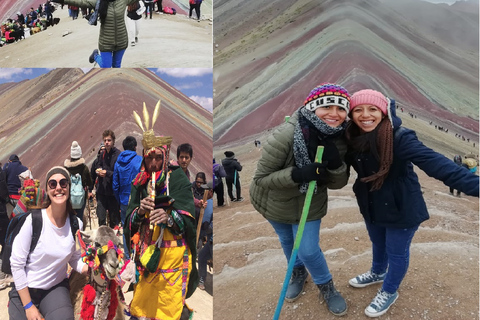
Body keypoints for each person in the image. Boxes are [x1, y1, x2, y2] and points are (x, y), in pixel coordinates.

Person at [343, 89, 479, 318]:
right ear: (351, 114)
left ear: (384, 111)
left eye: (373, 109)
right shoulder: (351, 138)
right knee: (378, 243)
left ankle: (389, 290)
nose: (365, 115)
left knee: (396, 252)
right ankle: (377, 272)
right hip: (371, 203)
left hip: (401, 205)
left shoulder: (399, 138)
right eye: (358, 110)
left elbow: (438, 165)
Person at [250, 83, 351, 316]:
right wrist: (298, 174)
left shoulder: (339, 138)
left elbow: (339, 183)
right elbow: (261, 178)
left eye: (341, 108)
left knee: (307, 249)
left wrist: (335, 165)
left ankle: (326, 286)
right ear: (312, 107)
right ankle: (298, 272)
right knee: (287, 241)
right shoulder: (286, 135)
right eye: (327, 106)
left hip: (311, 203)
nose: (334, 114)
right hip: (275, 203)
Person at [123, 102, 198, 320]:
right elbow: (129, 220)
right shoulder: (139, 181)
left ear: (165, 157)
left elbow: (189, 220)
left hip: (173, 255)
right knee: (144, 306)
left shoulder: (178, 178)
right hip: (148, 254)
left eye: (158, 158)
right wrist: (138, 212)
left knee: (168, 308)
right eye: (149, 158)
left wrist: (169, 217)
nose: (154, 163)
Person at [8, 166, 89, 319]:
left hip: (54, 288)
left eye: (63, 183)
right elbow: (16, 264)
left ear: (69, 187)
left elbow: (74, 258)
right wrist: (28, 306)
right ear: (47, 189)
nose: (58, 188)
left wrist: (91, 269)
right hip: (25, 289)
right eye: (53, 184)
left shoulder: (76, 224)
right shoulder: (34, 221)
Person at [52, 0, 140, 68]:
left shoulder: (123, 1)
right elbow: (81, 1)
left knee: (116, 67)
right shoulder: (99, 2)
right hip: (106, 42)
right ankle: (95, 56)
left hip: (122, 41)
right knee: (106, 67)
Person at [113, 135, 142, 259]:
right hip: (137, 201)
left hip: (124, 201)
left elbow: (115, 185)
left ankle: (126, 256)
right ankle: (138, 256)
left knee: (126, 228)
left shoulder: (118, 163)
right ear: (135, 147)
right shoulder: (140, 160)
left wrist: (119, 199)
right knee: (139, 227)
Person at [93, 130, 121, 228]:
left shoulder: (118, 155)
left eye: (109, 140)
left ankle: (113, 242)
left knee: (114, 220)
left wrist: (107, 173)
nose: (107, 143)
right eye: (105, 140)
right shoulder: (102, 154)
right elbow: (98, 165)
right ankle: (102, 241)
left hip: (113, 193)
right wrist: (98, 170)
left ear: (113, 141)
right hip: (101, 192)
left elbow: (119, 173)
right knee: (101, 218)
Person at [64, 141, 93, 223]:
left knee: (69, 217)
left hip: (69, 197)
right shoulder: (84, 168)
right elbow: (90, 183)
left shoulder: (66, 169)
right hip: (81, 197)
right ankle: (79, 233)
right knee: (79, 217)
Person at [197, 181, 213, 291]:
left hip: (212, 239)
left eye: (206, 190)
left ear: (211, 191)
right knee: (202, 256)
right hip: (210, 240)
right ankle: (201, 280)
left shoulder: (210, 203)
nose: (204, 191)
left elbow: (205, 223)